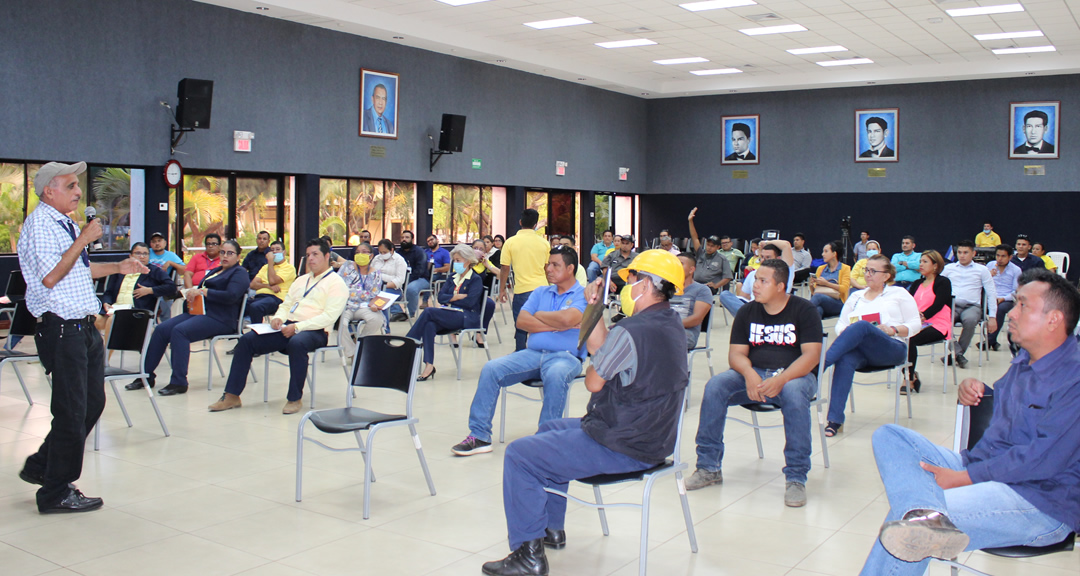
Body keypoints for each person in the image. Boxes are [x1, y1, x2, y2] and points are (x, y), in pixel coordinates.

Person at [858, 268, 1080, 575]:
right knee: (890, 437)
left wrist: (964, 478)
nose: (1011, 313)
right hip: (981, 466)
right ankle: (927, 514)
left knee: (909, 524)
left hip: (1039, 499)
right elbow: (1015, 412)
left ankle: (926, 519)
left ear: (1054, 319)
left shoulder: (1074, 377)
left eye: (1022, 305)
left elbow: (1042, 459)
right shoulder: (1026, 358)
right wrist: (975, 389)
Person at [480, 250, 688, 576]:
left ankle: (528, 556)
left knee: (520, 455)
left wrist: (596, 323)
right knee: (549, 429)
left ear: (645, 286)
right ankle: (551, 528)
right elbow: (602, 349)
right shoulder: (669, 322)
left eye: (629, 280)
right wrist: (594, 307)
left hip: (623, 443)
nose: (623, 287)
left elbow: (594, 381)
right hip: (651, 434)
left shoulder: (633, 331)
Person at [17, 161, 149, 514]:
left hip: (83, 326)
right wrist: (83, 239)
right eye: (71, 185)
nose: (78, 192)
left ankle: (42, 465)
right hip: (62, 329)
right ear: (49, 190)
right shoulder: (41, 224)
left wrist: (119, 267)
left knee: (91, 405)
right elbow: (49, 277)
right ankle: (55, 492)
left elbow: (79, 268)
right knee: (71, 411)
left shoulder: (62, 222)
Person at [685, 258, 823, 508]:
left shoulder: (804, 310)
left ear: (780, 286)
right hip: (754, 372)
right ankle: (708, 467)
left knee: (793, 392)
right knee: (716, 386)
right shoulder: (748, 311)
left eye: (762, 281)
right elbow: (736, 354)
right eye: (755, 279)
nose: (754, 285)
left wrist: (781, 378)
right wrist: (750, 375)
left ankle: (795, 477)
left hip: (794, 376)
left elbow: (811, 356)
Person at [451, 247, 587, 457]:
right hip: (532, 354)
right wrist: (556, 324)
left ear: (570, 268)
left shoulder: (583, 294)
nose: (548, 269)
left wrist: (541, 317)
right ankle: (479, 436)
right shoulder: (541, 292)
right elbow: (523, 322)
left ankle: (546, 438)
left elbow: (568, 319)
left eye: (555, 265)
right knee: (491, 368)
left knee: (556, 373)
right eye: (548, 264)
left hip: (565, 357)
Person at [211, 239, 348, 414]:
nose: (311, 259)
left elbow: (329, 316)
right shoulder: (301, 280)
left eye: (315, 254)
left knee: (297, 343)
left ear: (327, 256)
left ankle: (294, 398)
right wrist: (278, 318)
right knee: (247, 340)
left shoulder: (336, 283)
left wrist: (298, 327)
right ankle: (232, 395)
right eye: (308, 255)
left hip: (315, 331)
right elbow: (286, 304)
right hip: (288, 326)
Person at [823, 254, 922, 437]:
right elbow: (840, 325)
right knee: (845, 357)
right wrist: (851, 333)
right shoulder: (856, 297)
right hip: (861, 351)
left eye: (873, 271)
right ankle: (834, 420)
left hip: (891, 347)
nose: (868, 274)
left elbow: (916, 324)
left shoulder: (899, 293)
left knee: (862, 326)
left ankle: (819, 366)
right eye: (866, 270)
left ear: (886, 275)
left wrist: (892, 329)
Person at [136, 239, 250, 395]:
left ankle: (178, 382)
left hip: (221, 318)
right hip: (199, 312)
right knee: (162, 329)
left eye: (230, 253)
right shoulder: (216, 270)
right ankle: (146, 375)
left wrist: (204, 292)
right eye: (222, 252)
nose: (225, 256)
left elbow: (232, 296)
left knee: (180, 331)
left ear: (238, 256)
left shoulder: (240, 273)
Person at [407, 244, 494, 381]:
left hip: (467, 316)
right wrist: (456, 297)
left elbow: (470, 302)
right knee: (429, 324)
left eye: (458, 260)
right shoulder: (452, 277)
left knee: (429, 311)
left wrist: (450, 299)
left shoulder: (475, 279)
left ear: (467, 260)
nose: (456, 263)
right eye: (455, 260)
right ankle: (429, 365)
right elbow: (441, 297)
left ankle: (409, 343)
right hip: (450, 314)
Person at [500, 209, 556, 351]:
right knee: (542, 323)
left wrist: (502, 290)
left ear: (520, 222)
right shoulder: (544, 243)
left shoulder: (510, 242)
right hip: (542, 289)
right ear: (535, 224)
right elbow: (547, 268)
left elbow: (505, 268)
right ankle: (541, 351)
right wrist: (552, 287)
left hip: (522, 290)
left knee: (521, 325)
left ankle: (520, 354)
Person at [941, 240, 998, 369]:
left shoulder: (982, 270)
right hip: (952, 305)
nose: (962, 255)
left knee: (970, 320)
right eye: (959, 252)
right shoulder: (948, 268)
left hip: (972, 306)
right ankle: (958, 354)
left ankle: (955, 354)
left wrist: (993, 317)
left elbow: (991, 293)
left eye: (966, 252)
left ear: (973, 253)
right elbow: (938, 286)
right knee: (943, 322)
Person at [96, 242, 177, 332]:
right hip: (114, 308)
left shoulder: (154, 271)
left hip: (137, 311)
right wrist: (106, 302)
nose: (142, 257)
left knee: (113, 320)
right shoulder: (121, 270)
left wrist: (150, 290)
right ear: (130, 256)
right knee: (92, 320)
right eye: (138, 253)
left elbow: (172, 287)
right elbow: (109, 292)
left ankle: (109, 346)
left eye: (145, 254)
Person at [903, 250, 952, 394]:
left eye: (925, 262)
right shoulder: (917, 283)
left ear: (935, 265)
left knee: (909, 339)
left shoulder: (943, 282)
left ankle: (909, 379)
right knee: (900, 337)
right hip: (917, 322)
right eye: (920, 262)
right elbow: (909, 302)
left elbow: (939, 304)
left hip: (937, 323)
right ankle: (911, 375)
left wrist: (923, 316)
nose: (921, 265)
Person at [718, 243, 794, 317]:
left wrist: (766, 242)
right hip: (753, 307)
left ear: (778, 259)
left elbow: (786, 245)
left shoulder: (783, 272)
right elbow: (743, 297)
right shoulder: (753, 274)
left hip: (772, 309)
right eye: (762, 257)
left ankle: (747, 317)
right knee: (725, 295)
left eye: (768, 257)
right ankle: (747, 316)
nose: (764, 260)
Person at [337, 243, 387, 353]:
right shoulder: (347, 266)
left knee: (377, 319)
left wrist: (375, 305)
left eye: (364, 252)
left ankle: (360, 343)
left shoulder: (376, 273)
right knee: (342, 324)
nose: (360, 254)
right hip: (346, 305)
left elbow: (375, 294)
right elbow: (337, 285)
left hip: (365, 306)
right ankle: (352, 353)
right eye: (358, 252)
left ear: (371, 256)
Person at [246, 240, 297, 322]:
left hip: (276, 298)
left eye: (277, 249)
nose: (274, 252)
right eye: (272, 250)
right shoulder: (265, 267)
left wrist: (270, 262)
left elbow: (273, 281)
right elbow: (253, 285)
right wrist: (268, 286)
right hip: (260, 296)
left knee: (256, 307)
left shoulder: (289, 268)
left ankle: (256, 332)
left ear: (284, 252)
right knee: (237, 304)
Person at [671, 253, 714, 350]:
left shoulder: (702, 290)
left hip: (686, 333)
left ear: (691, 270)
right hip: (664, 329)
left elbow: (697, 319)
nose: (677, 266)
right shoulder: (666, 288)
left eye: (681, 264)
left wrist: (670, 325)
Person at [986, 244, 1021, 352]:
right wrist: (988, 276)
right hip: (990, 297)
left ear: (1010, 257)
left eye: (1003, 256)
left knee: (1000, 309)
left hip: (1007, 299)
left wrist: (1003, 298)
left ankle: (988, 340)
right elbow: (981, 284)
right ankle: (992, 342)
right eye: (998, 255)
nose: (999, 259)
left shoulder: (1016, 270)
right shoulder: (990, 265)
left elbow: (1015, 291)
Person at [405, 235, 450, 318]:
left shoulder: (444, 252)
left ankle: (425, 300)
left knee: (429, 278)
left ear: (437, 240)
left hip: (437, 274)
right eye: (428, 241)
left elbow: (447, 267)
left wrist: (436, 270)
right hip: (424, 273)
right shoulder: (425, 252)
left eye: (432, 239)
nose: (430, 242)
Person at [370, 239, 408, 329]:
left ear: (392, 250)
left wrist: (383, 285)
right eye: (380, 252)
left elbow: (399, 281)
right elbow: (371, 273)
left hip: (393, 289)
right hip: (376, 288)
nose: (382, 254)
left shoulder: (399, 260)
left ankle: (386, 329)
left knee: (381, 298)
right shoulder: (377, 258)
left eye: (385, 252)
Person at [809, 241, 851, 319]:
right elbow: (815, 292)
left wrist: (826, 283)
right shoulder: (820, 269)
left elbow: (844, 288)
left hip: (838, 302)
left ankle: (801, 315)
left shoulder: (845, 268)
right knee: (818, 310)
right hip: (822, 300)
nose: (822, 254)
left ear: (834, 254)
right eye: (823, 251)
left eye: (826, 251)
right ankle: (816, 331)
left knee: (818, 297)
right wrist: (811, 286)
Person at [393, 230, 426, 320]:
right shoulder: (398, 253)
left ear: (412, 239)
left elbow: (420, 270)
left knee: (411, 288)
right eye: (402, 237)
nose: (404, 239)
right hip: (403, 279)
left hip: (421, 279)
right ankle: (398, 312)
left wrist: (405, 281)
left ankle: (410, 313)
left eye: (407, 237)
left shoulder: (419, 252)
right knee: (389, 288)